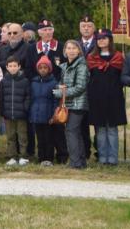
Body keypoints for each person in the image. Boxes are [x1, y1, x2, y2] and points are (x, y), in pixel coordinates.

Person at [86, 28, 127, 166]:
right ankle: (103, 157)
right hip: (97, 98)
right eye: (99, 39)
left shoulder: (118, 57)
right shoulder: (92, 58)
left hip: (114, 98)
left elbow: (123, 77)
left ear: (110, 40)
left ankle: (113, 158)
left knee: (112, 129)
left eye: (104, 38)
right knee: (100, 129)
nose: (101, 41)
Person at [53, 40, 89, 169]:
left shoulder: (82, 66)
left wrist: (59, 92)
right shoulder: (64, 66)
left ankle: (75, 163)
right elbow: (63, 84)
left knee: (71, 131)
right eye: (69, 48)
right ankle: (81, 162)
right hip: (68, 104)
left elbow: (80, 87)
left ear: (79, 51)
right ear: (65, 51)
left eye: (74, 48)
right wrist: (60, 87)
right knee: (75, 132)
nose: (71, 50)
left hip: (78, 104)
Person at [30, 56, 67, 166]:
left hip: (48, 116)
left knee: (49, 138)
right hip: (37, 116)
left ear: (49, 69)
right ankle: (41, 158)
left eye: (45, 67)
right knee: (40, 139)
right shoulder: (33, 82)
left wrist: (53, 116)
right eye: (40, 67)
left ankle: (49, 158)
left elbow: (55, 102)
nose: (42, 69)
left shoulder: (53, 83)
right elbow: (32, 99)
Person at [0, 57, 30, 166]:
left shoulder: (25, 81)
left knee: (22, 136)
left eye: (15, 66)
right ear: (7, 67)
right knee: (10, 136)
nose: (13, 68)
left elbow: (28, 96)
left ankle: (23, 156)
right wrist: (2, 111)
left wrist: (25, 108)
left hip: (21, 114)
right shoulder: (3, 81)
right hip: (8, 114)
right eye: (10, 66)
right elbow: (1, 97)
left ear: (19, 67)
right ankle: (12, 156)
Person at [77, 15, 97, 160]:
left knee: (98, 123)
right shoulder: (75, 45)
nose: (86, 28)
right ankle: (84, 151)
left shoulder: (100, 43)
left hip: (95, 87)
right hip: (79, 90)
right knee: (81, 123)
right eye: (83, 26)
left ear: (93, 28)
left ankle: (100, 152)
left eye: (89, 26)